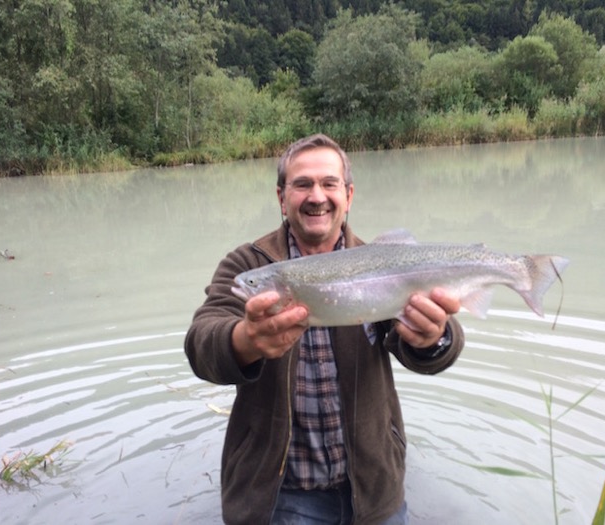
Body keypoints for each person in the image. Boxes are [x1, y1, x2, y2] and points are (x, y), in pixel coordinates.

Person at [184, 134, 465, 524]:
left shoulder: (380, 262)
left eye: (329, 183)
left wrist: (434, 338)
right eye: (302, 184)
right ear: (282, 198)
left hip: (374, 486)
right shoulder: (249, 266)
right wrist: (245, 341)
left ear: (348, 195)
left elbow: (436, 354)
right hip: (280, 495)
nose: (317, 196)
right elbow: (201, 345)